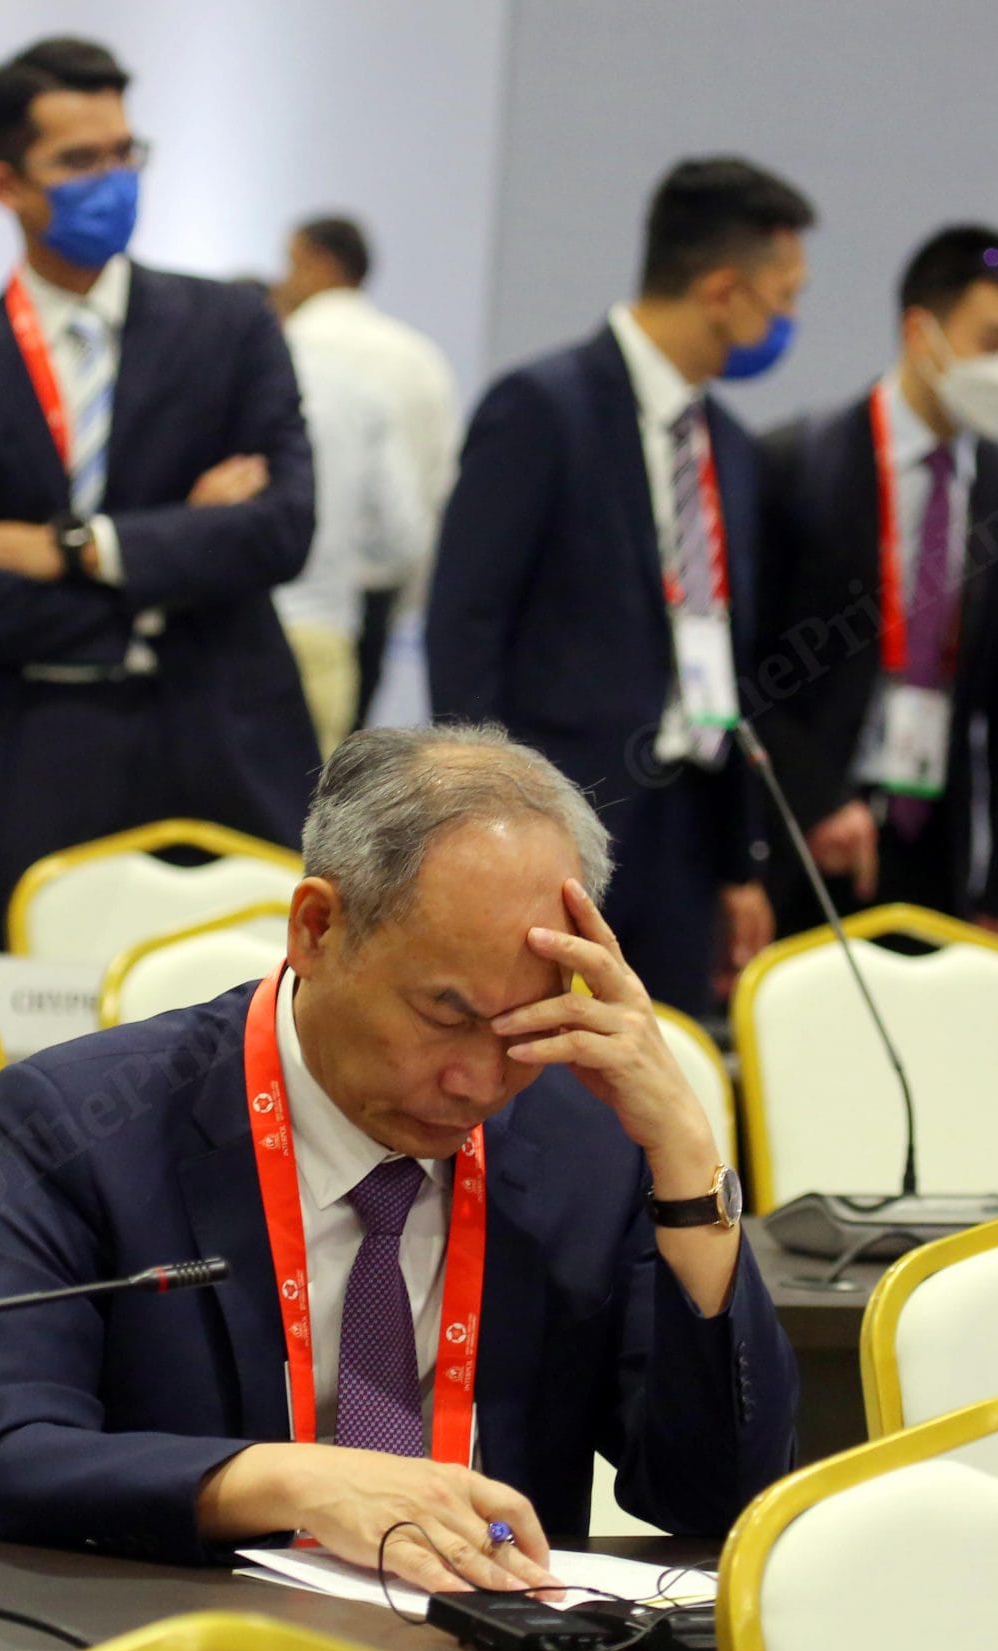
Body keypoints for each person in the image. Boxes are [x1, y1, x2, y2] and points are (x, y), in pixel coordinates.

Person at [0, 724, 795, 1574]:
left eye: (521, 1025)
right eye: (447, 1015)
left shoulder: (588, 1138)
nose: (481, 1082)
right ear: (317, 928)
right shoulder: (90, 1123)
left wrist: (687, 1164)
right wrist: (290, 1479)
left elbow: (718, 1501)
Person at [0, 37, 317, 949]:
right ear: (6, 183)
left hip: (222, 754)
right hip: (19, 763)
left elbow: (281, 531)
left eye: (124, 154)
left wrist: (82, 549)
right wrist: (178, 563)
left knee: (232, 1052)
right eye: (79, 162)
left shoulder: (232, 329)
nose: (112, 180)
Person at [428, 157, 815, 1013]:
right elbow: (465, 624)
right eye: (783, 297)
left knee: (653, 1069)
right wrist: (480, 821)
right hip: (555, 816)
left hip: (684, 826)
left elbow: (727, 651)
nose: (789, 318)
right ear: (723, 290)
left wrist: (738, 861)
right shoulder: (540, 408)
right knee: (527, 1069)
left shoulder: (733, 449)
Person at [755, 225, 998, 940]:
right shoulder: (798, 464)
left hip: (934, 846)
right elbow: (748, 669)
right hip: (803, 843)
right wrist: (813, 802)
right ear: (922, 333)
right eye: (995, 343)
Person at [273, 215, 461, 722]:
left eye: (290, 264)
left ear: (318, 261)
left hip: (269, 604)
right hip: (364, 608)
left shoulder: (282, 349)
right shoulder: (421, 358)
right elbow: (432, 499)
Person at [271, 283, 430, 756]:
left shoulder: (206, 387)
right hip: (323, 633)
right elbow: (405, 539)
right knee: (310, 818)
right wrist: (340, 569)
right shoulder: (362, 393)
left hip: (214, 643)